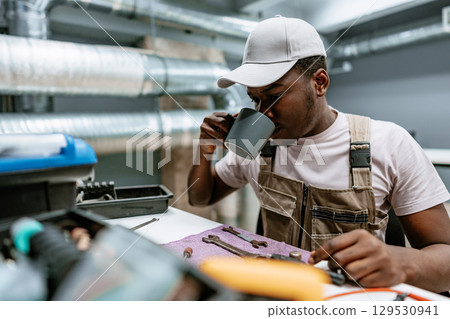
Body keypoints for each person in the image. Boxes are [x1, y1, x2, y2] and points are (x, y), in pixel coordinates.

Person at [187, 15, 450, 293]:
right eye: (255, 99)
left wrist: (404, 261)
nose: (263, 112)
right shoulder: (257, 144)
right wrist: (204, 151)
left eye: (274, 95)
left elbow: (446, 259)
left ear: (320, 82)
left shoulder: (388, 143)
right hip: (275, 294)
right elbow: (200, 196)